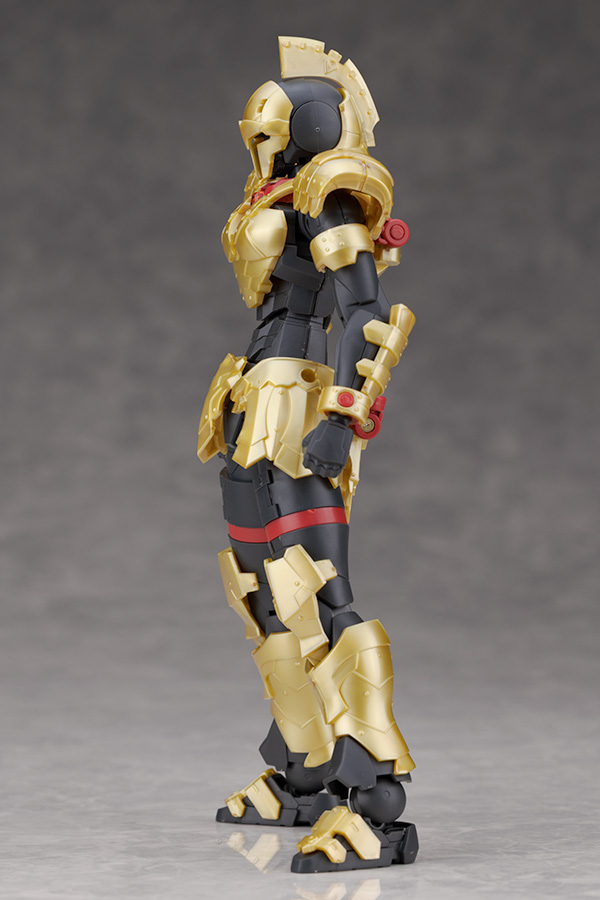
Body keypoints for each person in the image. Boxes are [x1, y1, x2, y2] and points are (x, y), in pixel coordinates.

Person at [198, 36, 418, 873]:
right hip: (251, 397)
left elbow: (368, 314)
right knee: (256, 584)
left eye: (272, 132)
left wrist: (343, 419)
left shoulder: (330, 196)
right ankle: (306, 772)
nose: (259, 149)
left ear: (310, 130)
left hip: (300, 404)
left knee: (317, 587)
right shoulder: (276, 196)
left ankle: (376, 801)